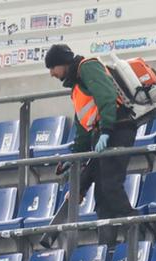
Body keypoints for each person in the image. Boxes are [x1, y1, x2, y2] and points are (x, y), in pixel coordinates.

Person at [44, 43, 138, 220]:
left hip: (118, 129)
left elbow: (107, 97)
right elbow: (83, 127)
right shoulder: (77, 88)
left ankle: (135, 228)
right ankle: (107, 245)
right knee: (102, 195)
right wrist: (74, 158)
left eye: (52, 67)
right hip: (102, 134)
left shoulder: (88, 68)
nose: (51, 73)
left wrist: (106, 130)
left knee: (111, 186)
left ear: (63, 63)